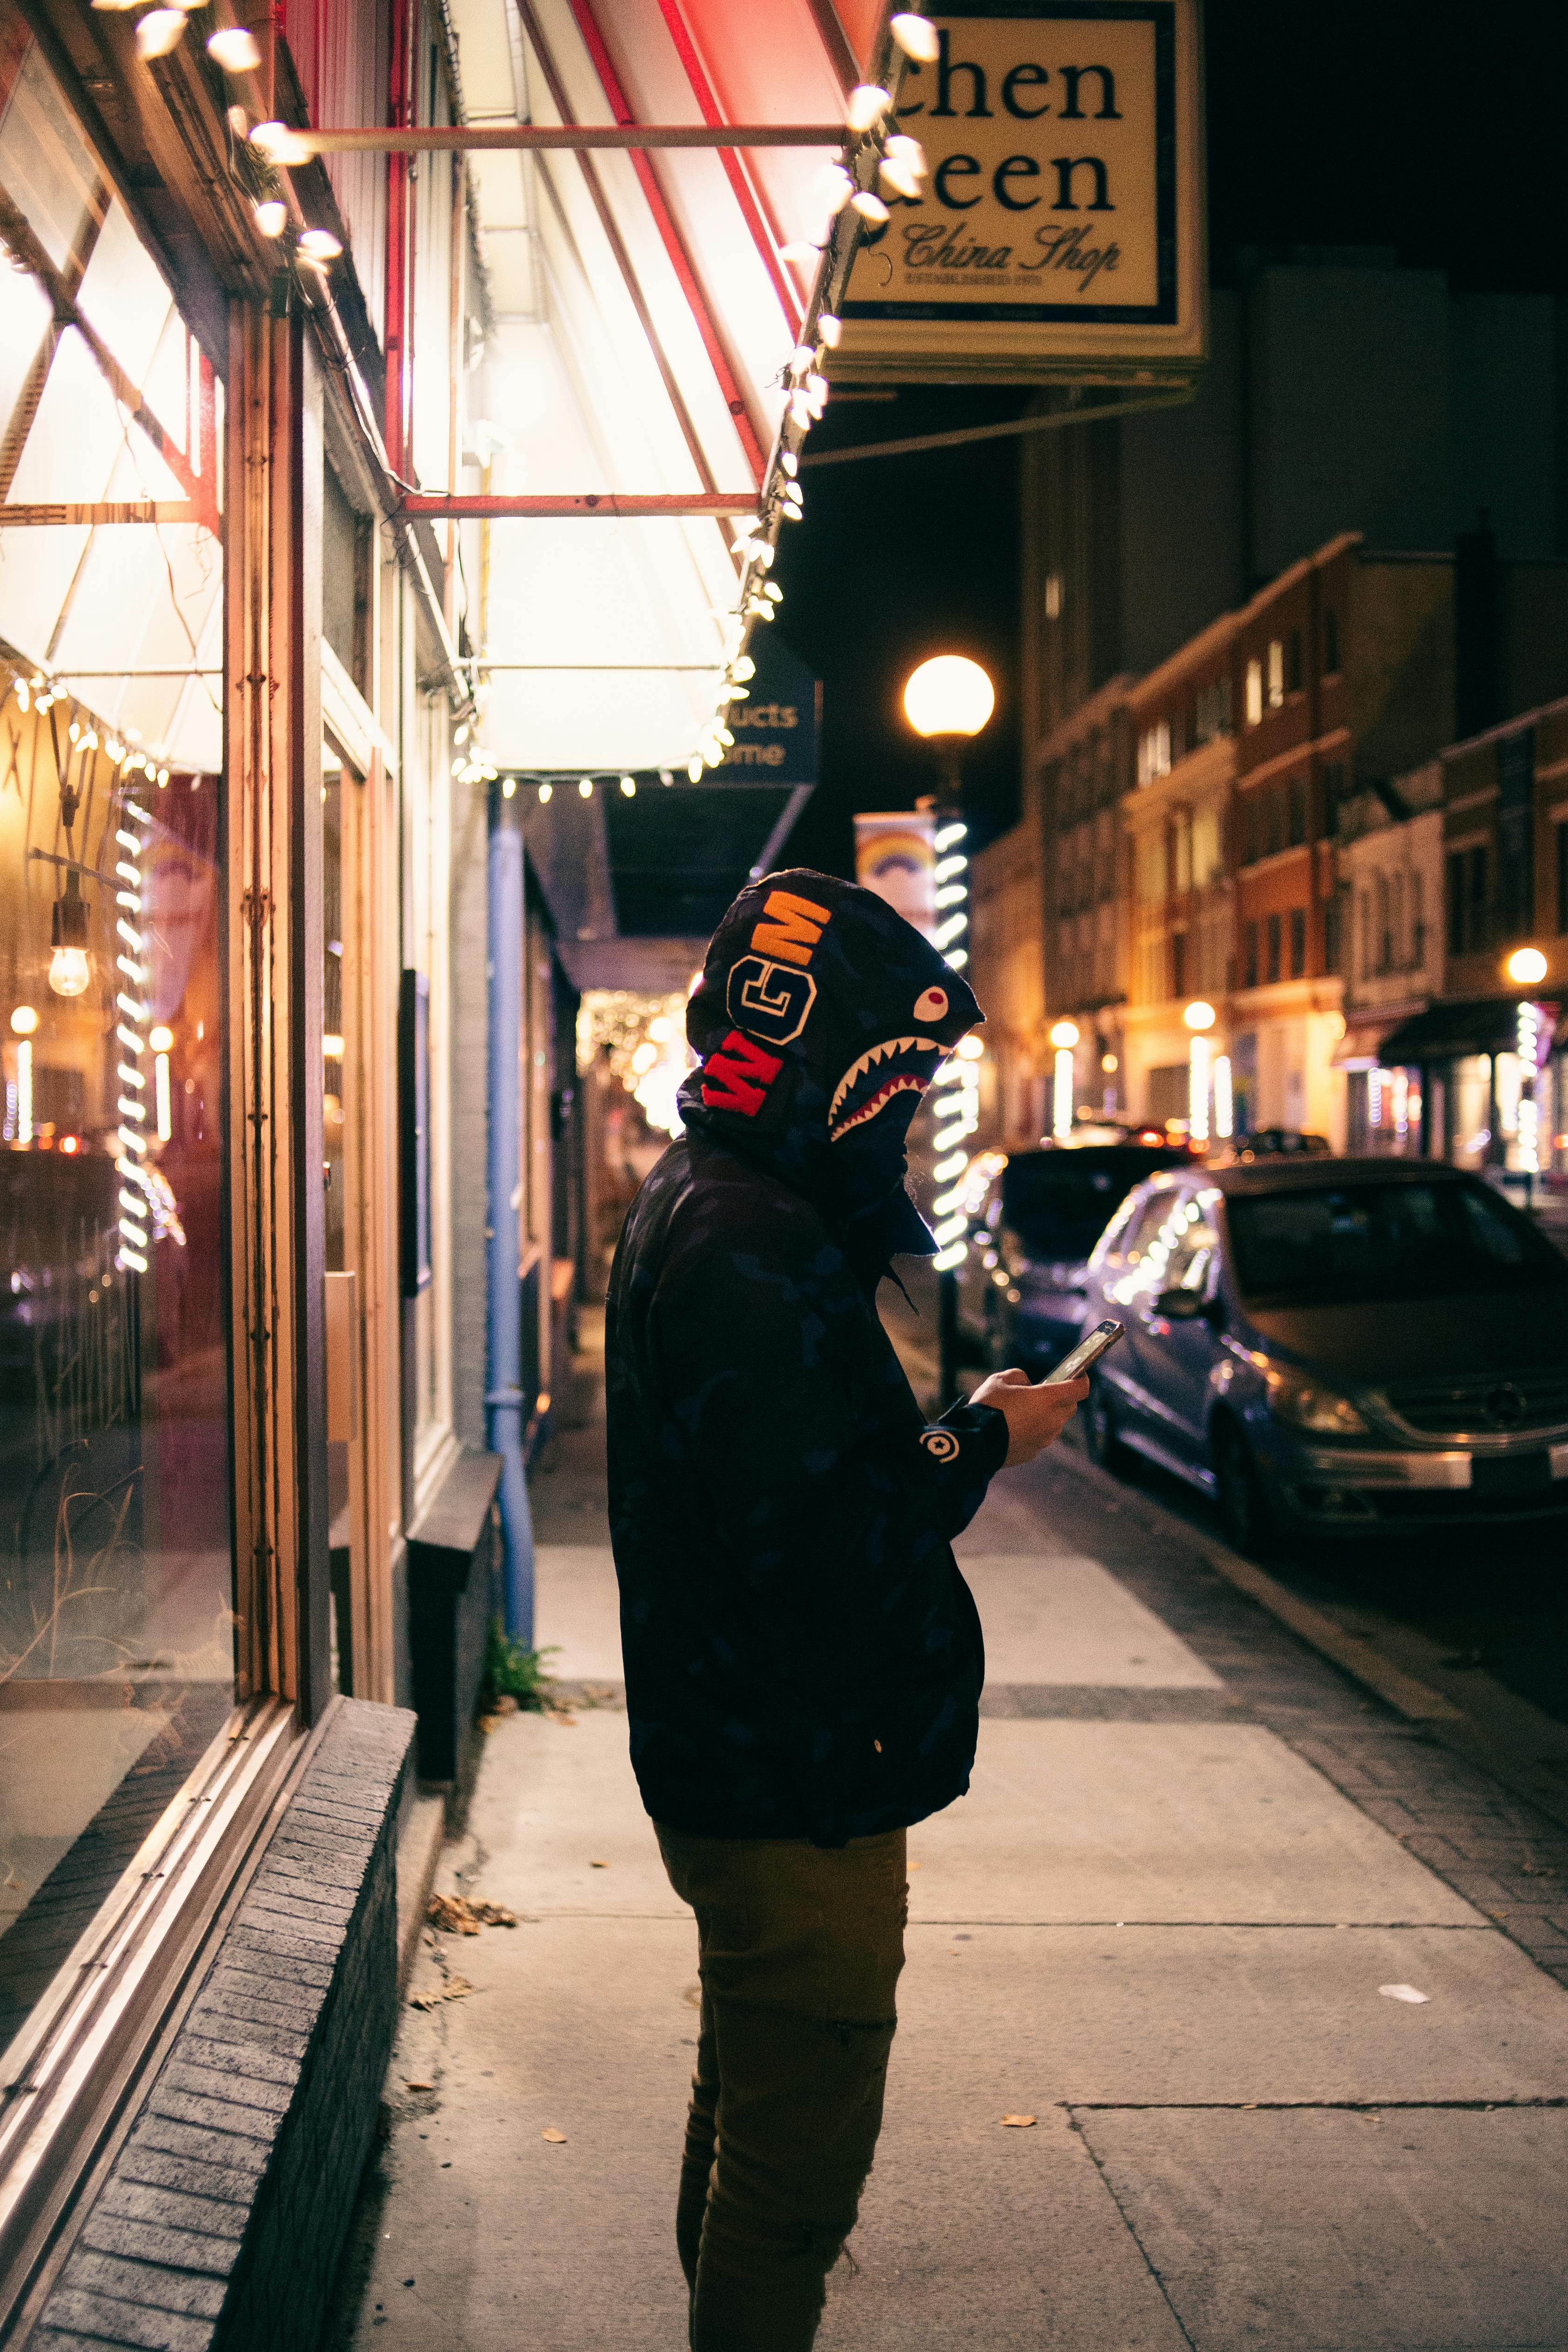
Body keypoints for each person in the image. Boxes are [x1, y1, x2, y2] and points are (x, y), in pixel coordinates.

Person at [605, 871, 1086, 2351]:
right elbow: (826, 1533)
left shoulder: (712, 1197)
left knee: (749, 2100)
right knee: (791, 2173)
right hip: (789, 1777)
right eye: (898, 1074)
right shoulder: (749, 1237)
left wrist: (950, 1428)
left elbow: (794, 1478)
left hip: (747, 1757)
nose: (907, 1111)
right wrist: (983, 1440)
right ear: (829, 1057)